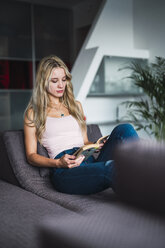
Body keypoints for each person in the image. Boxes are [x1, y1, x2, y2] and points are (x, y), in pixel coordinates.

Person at [24, 55, 139, 195]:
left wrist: (96, 146)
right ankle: (145, 198)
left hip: (87, 158)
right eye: (54, 81)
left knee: (125, 129)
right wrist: (58, 163)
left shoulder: (76, 106)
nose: (61, 85)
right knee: (112, 168)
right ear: (43, 82)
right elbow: (31, 156)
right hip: (65, 170)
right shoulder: (33, 113)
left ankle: (146, 174)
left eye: (63, 79)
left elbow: (84, 141)